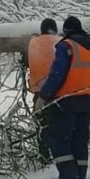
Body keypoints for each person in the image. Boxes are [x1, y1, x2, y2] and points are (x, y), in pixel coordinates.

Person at [39, 16, 90, 179]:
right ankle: (80, 175)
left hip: (67, 99)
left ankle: (68, 175)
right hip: (88, 100)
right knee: (79, 140)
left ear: (66, 31)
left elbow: (57, 74)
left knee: (59, 138)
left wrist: (44, 95)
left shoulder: (66, 46)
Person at [26, 18, 62, 164]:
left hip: (39, 91)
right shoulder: (61, 41)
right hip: (59, 90)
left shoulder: (33, 42)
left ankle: (44, 156)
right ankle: (59, 154)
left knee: (42, 127)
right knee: (59, 125)